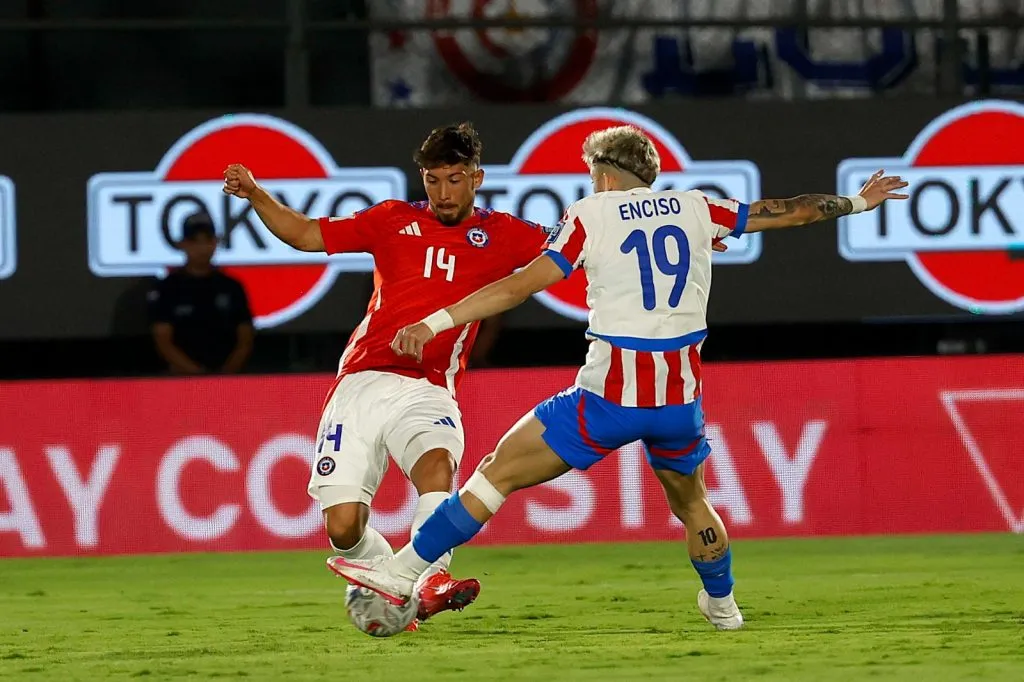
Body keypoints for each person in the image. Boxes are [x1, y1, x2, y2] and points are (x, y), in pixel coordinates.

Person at [324, 126, 909, 630]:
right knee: (695, 504)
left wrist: (437, 320)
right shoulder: (698, 208)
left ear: (602, 174)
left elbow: (517, 286)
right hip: (680, 400)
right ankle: (724, 606)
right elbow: (792, 209)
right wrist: (857, 203)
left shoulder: (590, 215)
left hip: (606, 399)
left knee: (495, 474)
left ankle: (401, 574)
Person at [221, 122, 554, 627]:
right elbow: (308, 235)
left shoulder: (506, 235)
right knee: (343, 527)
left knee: (436, 466)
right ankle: (402, 585)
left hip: (429, 388)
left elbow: (578, 247)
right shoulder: (392, 220)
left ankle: (431, 579)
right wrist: (255, 194)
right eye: (434, 179)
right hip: (360, 382)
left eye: (455, 179)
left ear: (478, 179)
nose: (444, 192)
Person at [148, 212, 254, 375]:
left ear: (216, 242)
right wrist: (198, 374)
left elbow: (245, 338)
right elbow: (163, 340)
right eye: (195, 241)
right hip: (181, 379)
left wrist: (227, 374)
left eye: (207, 241)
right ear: (182, 244)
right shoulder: (168, 288)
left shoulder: (231, 287)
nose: (202, 248)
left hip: (228, 379)